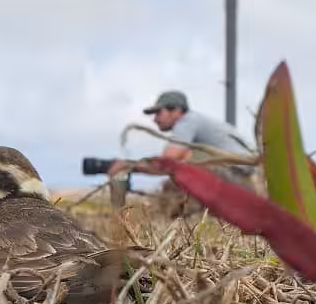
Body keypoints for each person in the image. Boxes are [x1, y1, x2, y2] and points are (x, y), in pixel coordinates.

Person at [108, 90, 257, 214]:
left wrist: (127, 166)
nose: (155, 119)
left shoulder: (187, 121)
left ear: (176, 110)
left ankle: (168, 215)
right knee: (185, 166)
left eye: (158, 113)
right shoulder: (198, 122)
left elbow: (166, 162)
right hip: (244, 181)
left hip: (234, 176)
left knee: (178, 176)